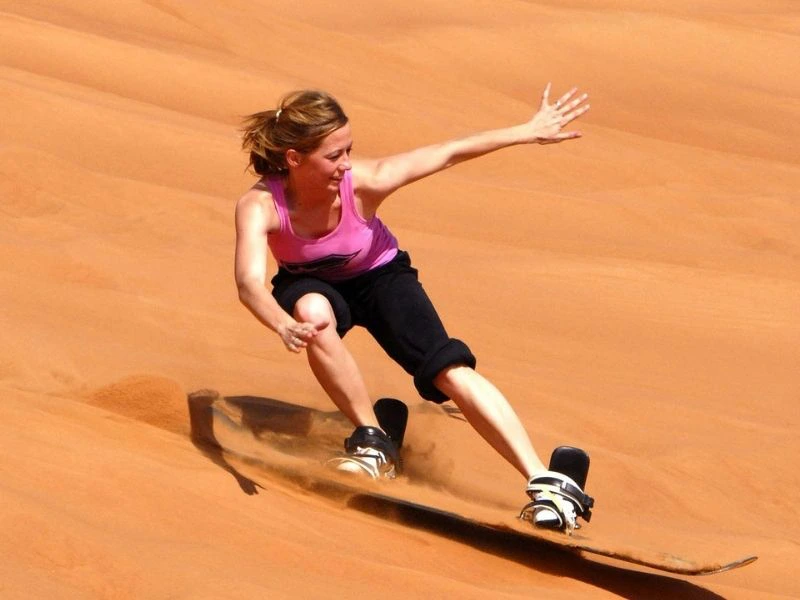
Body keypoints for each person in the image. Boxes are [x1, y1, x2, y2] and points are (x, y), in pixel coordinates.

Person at [234, 84, 593, 531]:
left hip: (381, 277)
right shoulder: (260, 205)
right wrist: (281, 323)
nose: (346, 164)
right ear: (293, 158)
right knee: (312, 314)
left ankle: (547, 481)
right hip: (308, 281)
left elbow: (447, 152)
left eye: (349, 150)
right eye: (333, 155)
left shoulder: (366, 182)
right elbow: (249, 282)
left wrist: (526, 131)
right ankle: (372, 439)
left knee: (447, 368)